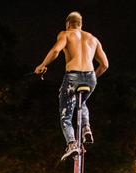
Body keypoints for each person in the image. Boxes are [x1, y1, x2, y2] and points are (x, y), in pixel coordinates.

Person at [34, 11, 109, 161]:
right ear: (81, 24)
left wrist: (42, 65)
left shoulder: (66, 34)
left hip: (72, 76)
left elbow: (55, 50)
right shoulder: (93, 39)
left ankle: (71, 144)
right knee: (82, 102)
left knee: (66, 115)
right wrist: (91, 77)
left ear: (68, 24)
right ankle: (86, 127)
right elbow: (105, 65)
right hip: (90, 78)